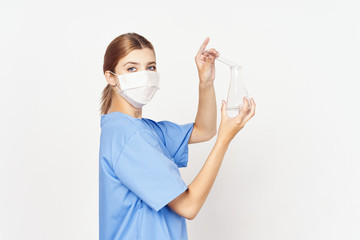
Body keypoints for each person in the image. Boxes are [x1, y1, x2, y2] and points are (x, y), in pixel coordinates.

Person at [98, 32, 256, 240]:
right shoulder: (131, 137)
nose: (144, 75)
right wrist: (225, 140)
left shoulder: (139, 129)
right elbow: (189, 206)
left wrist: (205, 80)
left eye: (151, 67)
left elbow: (204, 130)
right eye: (132, 68)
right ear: (110, 77)